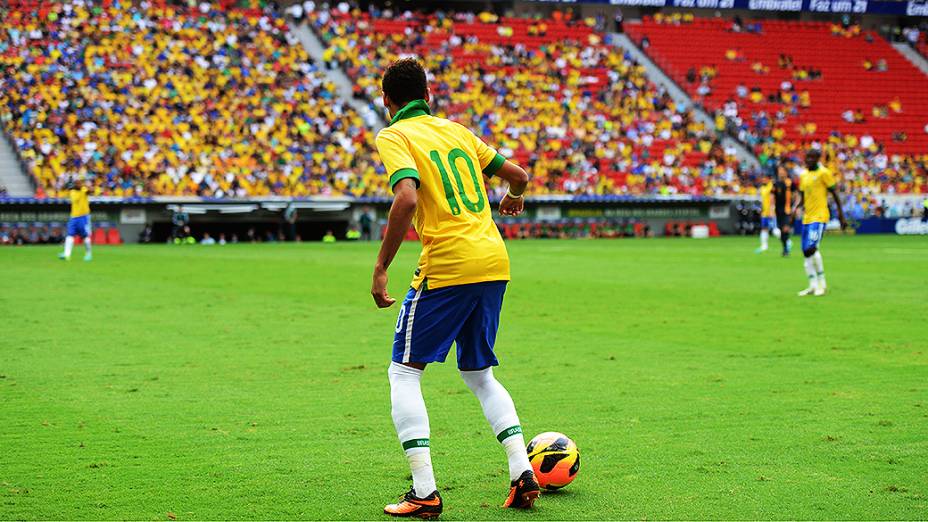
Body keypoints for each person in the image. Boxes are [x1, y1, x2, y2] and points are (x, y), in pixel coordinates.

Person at [370, 58, 536, 519]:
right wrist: (514, 198)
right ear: (428, 94)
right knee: (479, 374)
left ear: (387, 100)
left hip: (448, 263)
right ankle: (522, 470)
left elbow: (405, 196)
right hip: (493, 260)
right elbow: (518, 175)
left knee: (404, 372)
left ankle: (424, 492)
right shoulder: (459, 131)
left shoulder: (395, 135)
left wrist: (382, 266)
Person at [793, 149, 846, 297]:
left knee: (811, 248)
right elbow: (803, 196)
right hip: (807, 218)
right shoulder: (804, 175)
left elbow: (835, 193)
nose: (808, 160)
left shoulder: (824, 173)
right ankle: (812, 285)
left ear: (817, 159)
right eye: (807, 157)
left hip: (819, 217)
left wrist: (841, 216)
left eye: (812, 157)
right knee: (806, 252)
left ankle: (822, 284)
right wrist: (794, 210)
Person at [58, 180, 92, 261]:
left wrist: (89, 188)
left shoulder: (84, 189)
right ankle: (66, 255)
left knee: (85, 236)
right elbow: (63, 190)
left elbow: (89, 192)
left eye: (80, 183)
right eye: (77, 183)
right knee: (70, 235)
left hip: (83, 217)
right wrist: (66, 184)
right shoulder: (72, 191)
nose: (79, 184)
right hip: (74, 217)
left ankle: (88, 254)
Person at [773, 165, 796, 256]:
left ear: (786, 172)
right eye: (779, 171)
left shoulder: (790, 183)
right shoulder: (776, 184)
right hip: (778, 210)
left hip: (788, 209)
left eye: (782, 170)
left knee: (786, 229)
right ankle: (785, 246)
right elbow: (772, 196)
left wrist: (795, 207)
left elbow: (796, 194)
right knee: (781, 230)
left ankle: (786, 248)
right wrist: (771, 208)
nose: (781, 172)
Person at [755, 174, 777, 254]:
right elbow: (762, 200)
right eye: (763, 178)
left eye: (765, 178)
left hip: (771, 211)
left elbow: (773, 199)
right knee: (764, 228)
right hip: (765, 212)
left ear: (769, 179)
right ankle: (764, 246)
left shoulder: (771, 187)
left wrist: (772, 210)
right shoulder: (762, 188)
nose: (763, 180)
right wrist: (761, 209)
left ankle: (787, 242)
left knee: (775, 230)